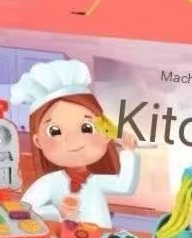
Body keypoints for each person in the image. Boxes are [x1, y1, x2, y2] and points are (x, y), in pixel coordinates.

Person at [11, 59, 139, 229]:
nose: (73, 139)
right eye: (55, 131)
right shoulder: (51, 182)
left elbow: (124, 186)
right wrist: (58, 213)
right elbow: (23, 209)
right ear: (38, 141)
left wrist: (128, 151)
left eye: (87, 127)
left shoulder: (95, 180)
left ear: (105, 135)